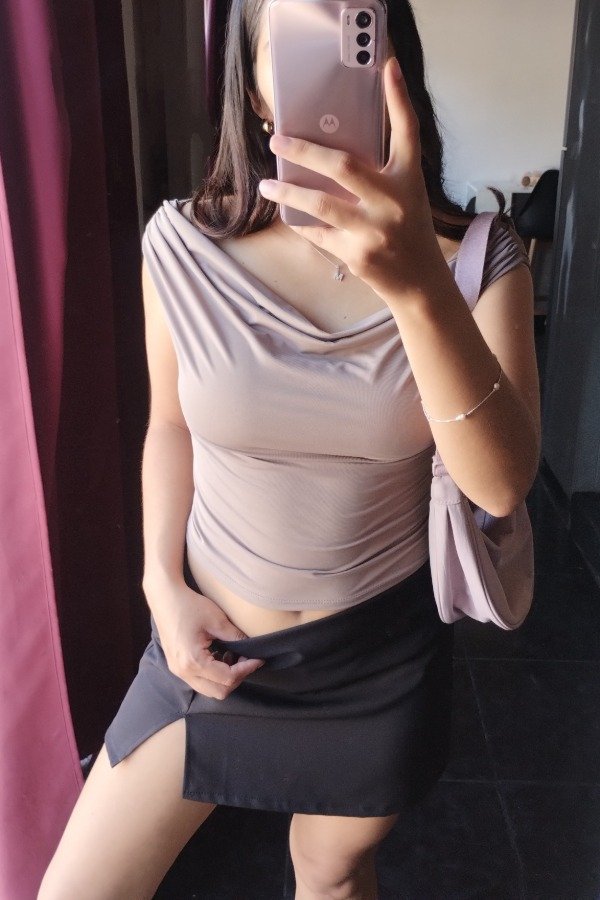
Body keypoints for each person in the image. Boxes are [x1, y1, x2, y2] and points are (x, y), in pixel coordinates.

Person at [38, 1, 541, 898]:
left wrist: (418, 288)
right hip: (212, 652)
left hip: (378, 660)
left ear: (394, 64)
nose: (333, 64)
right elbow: (170, 427)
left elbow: (499, 487)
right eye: (301, 38)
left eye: (353, 31)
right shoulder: (181, 245)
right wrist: (161, 585)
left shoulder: (477, 260)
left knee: (332, 875)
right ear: (255, 90)